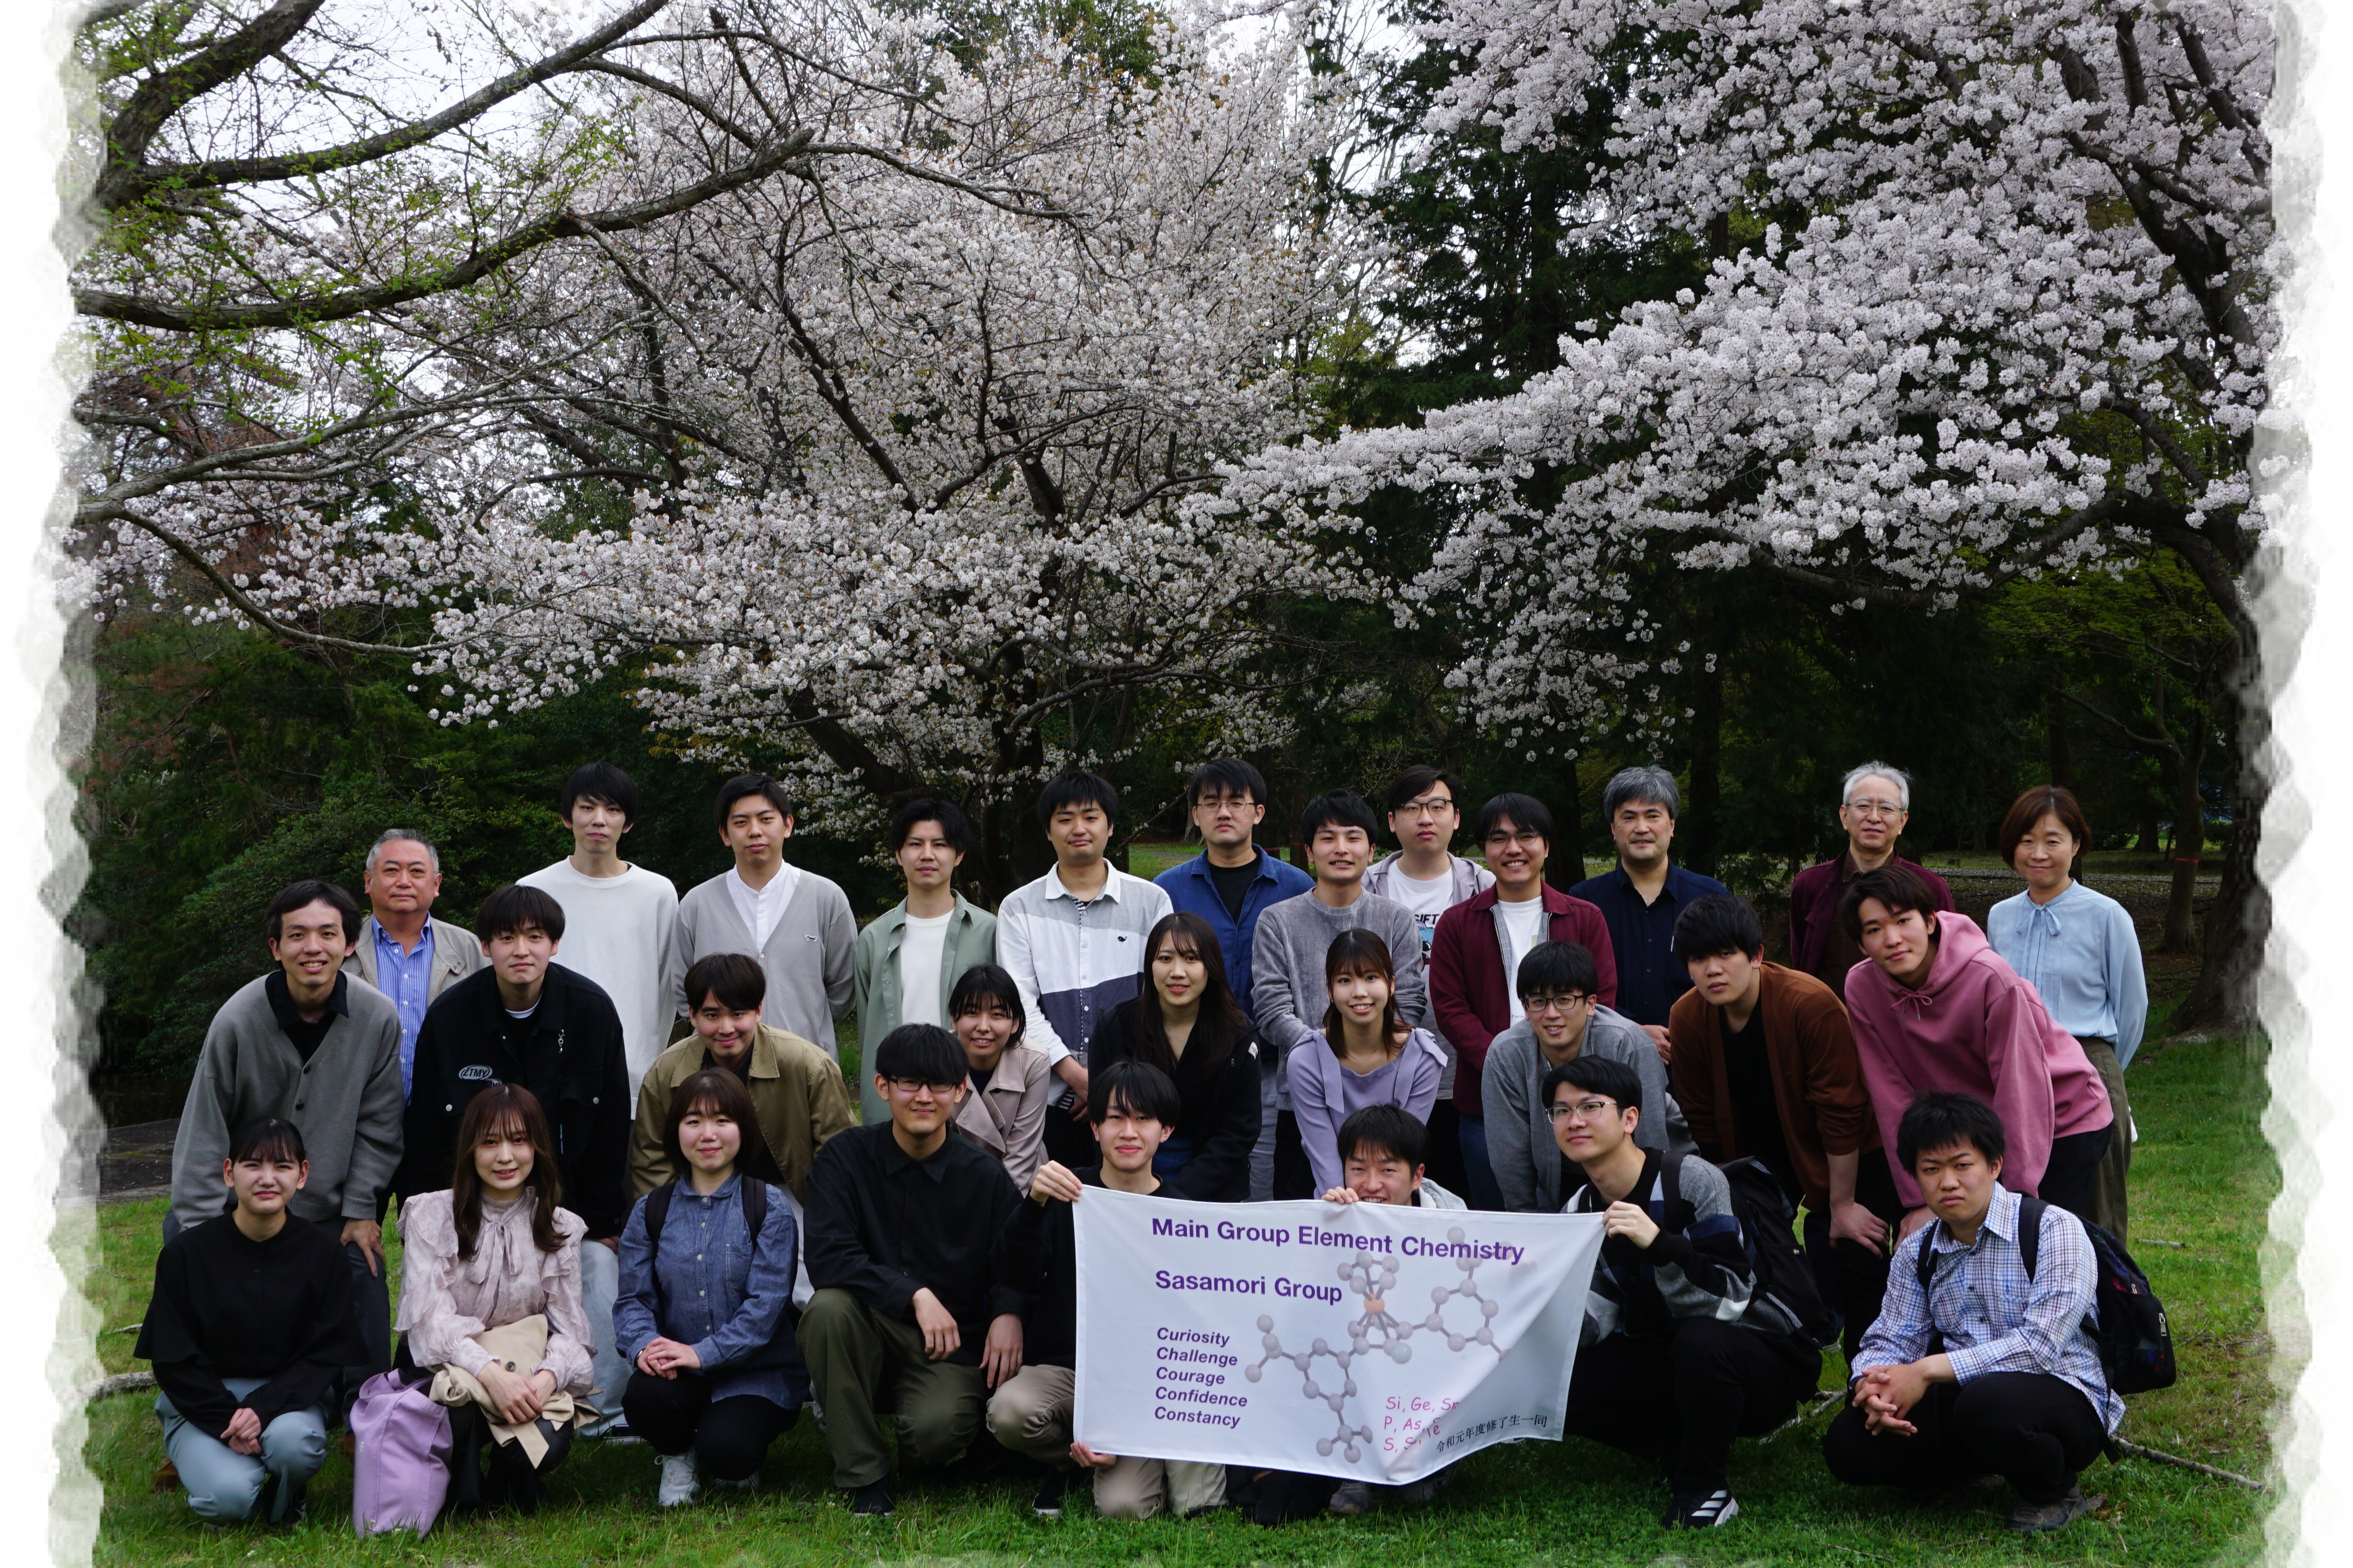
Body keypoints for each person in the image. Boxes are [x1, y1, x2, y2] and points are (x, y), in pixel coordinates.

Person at [1823, 1092, 2122, 1534]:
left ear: (1995, 1165)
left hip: (2062, 1392)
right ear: (1915, 1177)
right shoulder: (1918, 1251)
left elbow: (2039, 1348)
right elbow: (1889, 1338)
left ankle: (2055, 1489)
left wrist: (1924, 1370)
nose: (1947, 1182)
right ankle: (1965, 1471)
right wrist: (1871, 1385)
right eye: (1930, 1169)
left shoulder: (2053, 1228)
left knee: (1988, 1405)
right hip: (1965, 1397)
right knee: (1847, 1441)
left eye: (1962, 1165)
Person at [401, 884, 635, 1439]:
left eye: (534, 936)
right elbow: (430, 1129)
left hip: (569, 1211)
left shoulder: (591, 1011)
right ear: (484, 946)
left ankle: (599, 1407)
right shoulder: (452, 1017)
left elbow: (609, 1127)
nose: (521, 949)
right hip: (474, 1211)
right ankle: (467, 1392)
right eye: (506, 937)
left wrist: (602, 1225)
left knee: (599, 1277)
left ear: (555, 942)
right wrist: (441, 1221)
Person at [1552, 1056, 1823, 1531]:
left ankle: (1704, 1486)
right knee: (1558, 1376)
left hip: (1761, 1357)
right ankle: (1675, 1443)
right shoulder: (1579, 1207)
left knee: (1699, 1340)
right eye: (1560, 1111)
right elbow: (1595, 1319)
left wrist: (1658, 1243)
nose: (1574, 1121)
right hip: (1671, 1355)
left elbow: (1729, 1300)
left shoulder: (1692, 1180)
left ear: (1630, 1118)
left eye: (1590, 1106)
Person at [167, 880, 402, 1414]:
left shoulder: (377, 1017)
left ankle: (365, 1414)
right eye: (296, 935)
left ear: (350, 945)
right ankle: (197, 1407)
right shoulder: (237, 1019)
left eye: (327, 933)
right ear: (276, 947)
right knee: (188, 1259)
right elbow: (204, 1128)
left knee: (362, 1267)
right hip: (241, 1205)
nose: (312, 947)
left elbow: (380, 1123)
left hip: (326, 1207)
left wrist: (363, 1208)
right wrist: (204, 1228)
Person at [800, 1024, 1029, 1517]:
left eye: (939, 1085)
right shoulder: (844, 1158)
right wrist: (914, 1295)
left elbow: (1017, 1260)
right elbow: (827, 1256)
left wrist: (1008, 1311)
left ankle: (919, 1446)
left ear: (959, 1090)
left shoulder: (984, 1175)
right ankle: (865, 1474)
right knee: (827, 1308)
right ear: (882, 1087)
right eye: (909, 1084)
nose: (924, 1097)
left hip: (950, 1347)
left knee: (935, 1437)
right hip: (868, 1327)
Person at [987, 1060, 1229, 1521]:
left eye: (1143, 1119)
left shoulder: (1186, 1216)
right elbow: (1013, 1272)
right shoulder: (1063, 1195)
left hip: (1154, 1385)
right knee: (1010, 1410)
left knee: (1125, 1509)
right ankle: (1068, 1456)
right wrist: (1034, 1205)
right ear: (1094, 1127)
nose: (1128, 1131)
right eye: (1115, 1118)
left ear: (1167, 1130)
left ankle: (1145, 1454)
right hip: (1071, 1372)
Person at [1667, 893, 1901, 1361]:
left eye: (1726, 954)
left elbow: (1841, 1111)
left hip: (1846, 1146)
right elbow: (1701, 1120)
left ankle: (1872, 1370)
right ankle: (1784, 1359)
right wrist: (1727, 1199)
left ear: (1755, 956)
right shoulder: (1687, 1016)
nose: (1712, 970)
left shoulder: (1810, 1003)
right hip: (1753, 1148)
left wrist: (1841, 1204)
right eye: (1698, 959)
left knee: (1854, 1249)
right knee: (1758, 1257)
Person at [1842, 865, 2114, 1233]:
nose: (1892, 938)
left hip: (2061, 1116)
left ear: (1929, 921)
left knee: (2044, 1243)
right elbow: (1889, 1094)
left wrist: (2014, 1198)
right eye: (1874, 930)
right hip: (1974, 1125)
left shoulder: (1989, 977)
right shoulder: (1862, 987)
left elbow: (2019, 1090)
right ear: (1860, 944)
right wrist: (1919, 1198)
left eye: (1903, 920)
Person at [137, 1119, 367, 1526]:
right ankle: (238, 1484)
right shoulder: (185, 1255)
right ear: (229, 1172)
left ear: (303, 1175)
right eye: (252, 1165)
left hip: (289, 1401)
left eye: (282, 1166)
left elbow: (327, 1350)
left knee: (295, 1447)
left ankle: (287, 1493)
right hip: (202, 1403)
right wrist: (230, 1416)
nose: (267, 1178)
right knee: (227, 1499)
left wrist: (262, 1408)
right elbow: (173, 1358)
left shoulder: (323, 1254)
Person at [392, 1085, 594, 1515]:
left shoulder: (560, 1227)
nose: (505, 1156)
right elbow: (429, 1321)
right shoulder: (432, 1215)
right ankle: (457, 1488)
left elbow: (570, 1328)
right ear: (470, 1149)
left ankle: (507, 1477)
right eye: (490, 1142)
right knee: (456, 1407)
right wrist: (488, 1372)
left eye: (519, 1140)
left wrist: (545, 1380)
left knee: (545, 1444)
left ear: (538, 1146)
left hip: (524, 1366)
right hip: (444, 1366)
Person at [614, 1069, 807, 1507]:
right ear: (675, 1131)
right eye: (693, 1121)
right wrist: (646, 1347)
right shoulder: (650, 1211)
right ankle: (678, 1453)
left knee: (730, 1454)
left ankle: (727, 1445)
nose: (708, 1134)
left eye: (722, 1120)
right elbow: (632, 1301)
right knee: (643, 1398)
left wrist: (703, 1353)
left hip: (757, 1372)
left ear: (744, 1128)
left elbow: (766, 1307)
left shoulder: (768, 1206)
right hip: (676, 1368)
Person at [1430, 793, 1616, 1210]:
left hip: (1575, 1099)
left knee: (1583, 1219)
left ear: (1546, 846)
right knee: (1499, 1224)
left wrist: (1566, 1069)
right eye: (1499, 838)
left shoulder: (1583, 917)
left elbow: (1600, 999)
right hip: (1484, 1102)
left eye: (1526, 836)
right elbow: (1449, 1007)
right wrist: (1503, 1063)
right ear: (1484, 851)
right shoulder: (1458, 923)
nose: (1513, 849)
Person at [1986, 785, 2148, 1241]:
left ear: (2076, 846)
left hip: (2088, 1065)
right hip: (2016, 1067)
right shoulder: (1999, 916)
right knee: (2021, 1194)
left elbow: (2132, 1010)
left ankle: (2105, 1304)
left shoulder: (2106, 915)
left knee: (2096, 1203)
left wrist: (2102, 1068)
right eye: (2026, 840)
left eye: (2053, 840)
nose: (2038, 853)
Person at [1251, 790, 1428, 1201]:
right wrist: (1325, 1061)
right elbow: (1272, 1008)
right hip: (1300, 1101)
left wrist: (1367, 1060)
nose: (1341, 849)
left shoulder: (1396, 919)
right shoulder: (1277, 920)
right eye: (1327, 838)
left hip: (1386, 1102)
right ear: (1309, 851)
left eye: (1353, 837)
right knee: (1307, 1229)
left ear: (1371, 849)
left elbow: (1411, 1002)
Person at [995, 770, 1173, 1169]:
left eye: (1090, 816)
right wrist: (1077, 1077)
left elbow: (1161, 995)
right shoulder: (1019, 908)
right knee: (1057, 1208)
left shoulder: (1151, 901)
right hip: (1048, 1095)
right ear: (1047, 831)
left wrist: (1111, 1086)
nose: (1079, 828)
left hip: (1133, 1100)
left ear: (1110, 826)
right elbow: (1019, 1002)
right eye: (1065, 818)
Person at [1153, 759, 1312, 1202]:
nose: (1224, 812)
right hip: (1185, 1061)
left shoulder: (1294, 885)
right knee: (1181, 1178)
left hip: (1265, 1064)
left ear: (1257, 813)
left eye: (1236, 803)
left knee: (1257, 1186)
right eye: (1211, 803)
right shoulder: (1167, 889)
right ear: (1196, 814)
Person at [1313, 1103, 1465, 1517]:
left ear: (1417, 1175)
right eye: (1358, 1169)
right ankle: (1355, 1469)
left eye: (1387, 1170)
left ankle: (1432, 1457)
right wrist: (1330, 1226)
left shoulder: (1454, 1220)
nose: (1371, 1184)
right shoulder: (1329, 1214)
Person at [1363, 765, 1493, 1195]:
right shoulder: (1365, 886)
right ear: (1391, 820)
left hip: (1466, 1070)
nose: (1425, 818)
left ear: (1455, 818)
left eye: (1437, 806)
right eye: (1412, 807)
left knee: (1458, 1192)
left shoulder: (1485, 887)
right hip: (1382, 1068)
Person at [517, 763, 680, 1106]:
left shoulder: (657, 893)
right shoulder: (533, 890)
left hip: (636, 1079)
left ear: (628, 822)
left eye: (613, 809)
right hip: (547, 1077)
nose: (599, 820)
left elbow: (667, 988)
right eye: (587, 807)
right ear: (567, 816)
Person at [632, 953, 856, 1202]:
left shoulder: (809, 1066)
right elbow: (652, 1162)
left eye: (738, 1014)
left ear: (758, 1011)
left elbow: (838, 1154)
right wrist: (667, 1218)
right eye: (712, 1016)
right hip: (697, 1193)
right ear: (693, 1016)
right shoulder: (665, 1072)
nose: (726, 1028)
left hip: (790, 1191)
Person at [674, 773, 857, 1069]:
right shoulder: (697, 904)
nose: (755, 831)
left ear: (787, 825)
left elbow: (843, 989)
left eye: (766, 819)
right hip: (720, 1074)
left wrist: (807, 1022)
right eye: (741, 822)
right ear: (724, 834)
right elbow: (684, 991)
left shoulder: (825, 898)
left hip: (806, 1069)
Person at [1482, 940, 1680, 1213]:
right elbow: (1510, 1157)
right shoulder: (1506, 1054)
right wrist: (1527, 1223)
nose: (1551, 1014)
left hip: (1647, 1171)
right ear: (1525, 1009)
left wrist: (1649, 1217)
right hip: (1561, 1171)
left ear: (1590, 1004)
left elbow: (1652, 1139)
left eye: (1564, 1000)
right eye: (1538, 1002)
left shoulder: (1627, 1042)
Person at [1085, 912, 1263, 1201]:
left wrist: (1174, 1196)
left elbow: (1238, 1134)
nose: (1177, 972)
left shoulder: (1238, 1037)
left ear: (1211, 967)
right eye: (1165, 959)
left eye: (1192, 959)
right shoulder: (1116, 1027)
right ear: (1150, 967)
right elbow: (1101, 1115)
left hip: (1213, 1187)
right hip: (1127, 1178)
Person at [851, 798, 998, 1126]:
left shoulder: (990, 932)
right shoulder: (873, 939)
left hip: (967, 1092)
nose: (927, 854)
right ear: (899, 855)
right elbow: (867, 1030)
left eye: (940, 844)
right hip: (896, 1095)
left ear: (958, 855)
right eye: (915, 844)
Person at [1568, 767, 1731, 1050]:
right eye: (1629, 817)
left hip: (1696, 1055)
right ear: (1613, 828)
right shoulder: (1584, 903)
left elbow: (1732, 978)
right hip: (1608, 1057)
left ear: (1671, 825)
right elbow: (1572, 986)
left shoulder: (1710, 898)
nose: (1641, 828)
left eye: (1653, 816)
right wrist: (1632, 1031)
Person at [1286, 928, 1448, 1198]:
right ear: (1330, 989)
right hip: (1332, 1197)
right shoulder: (1305, 1061)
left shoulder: (1423, 1058)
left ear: (1392, 984)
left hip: (1396, 1196)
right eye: (1345, 980)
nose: (1359, 992)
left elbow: (1403, 1152)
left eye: (1371, 977)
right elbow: (1324, 1157)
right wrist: (1345, 1204)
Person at [1785, 762, 1956, 1002]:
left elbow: (1949, 964)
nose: (1874, 818)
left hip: (1906, 1024)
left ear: (1902, 821)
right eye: (1863, 806)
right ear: (1844, 816)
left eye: (1886, 808)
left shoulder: (1930, 887)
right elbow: (1801, 964)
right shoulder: (1810, 885)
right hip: (1830, 1024)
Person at [341, 829, 486, 1100]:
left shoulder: (471, 949)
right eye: (392, 870)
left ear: (436, 884)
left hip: (446, 1110)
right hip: (360, 1110)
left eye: (417, 872)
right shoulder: (340, 949)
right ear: (368, 881)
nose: (404, 882)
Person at [946, 963, 1056, 1194]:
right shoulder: (938, 1057)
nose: (984, 1027)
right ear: (954, 1020)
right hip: (956, 1186)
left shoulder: (1034, 1061)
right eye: (972, 1013)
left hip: (1021, 1187)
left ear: (1015, 1023)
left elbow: (1021, 1157)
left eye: (997, 1015)